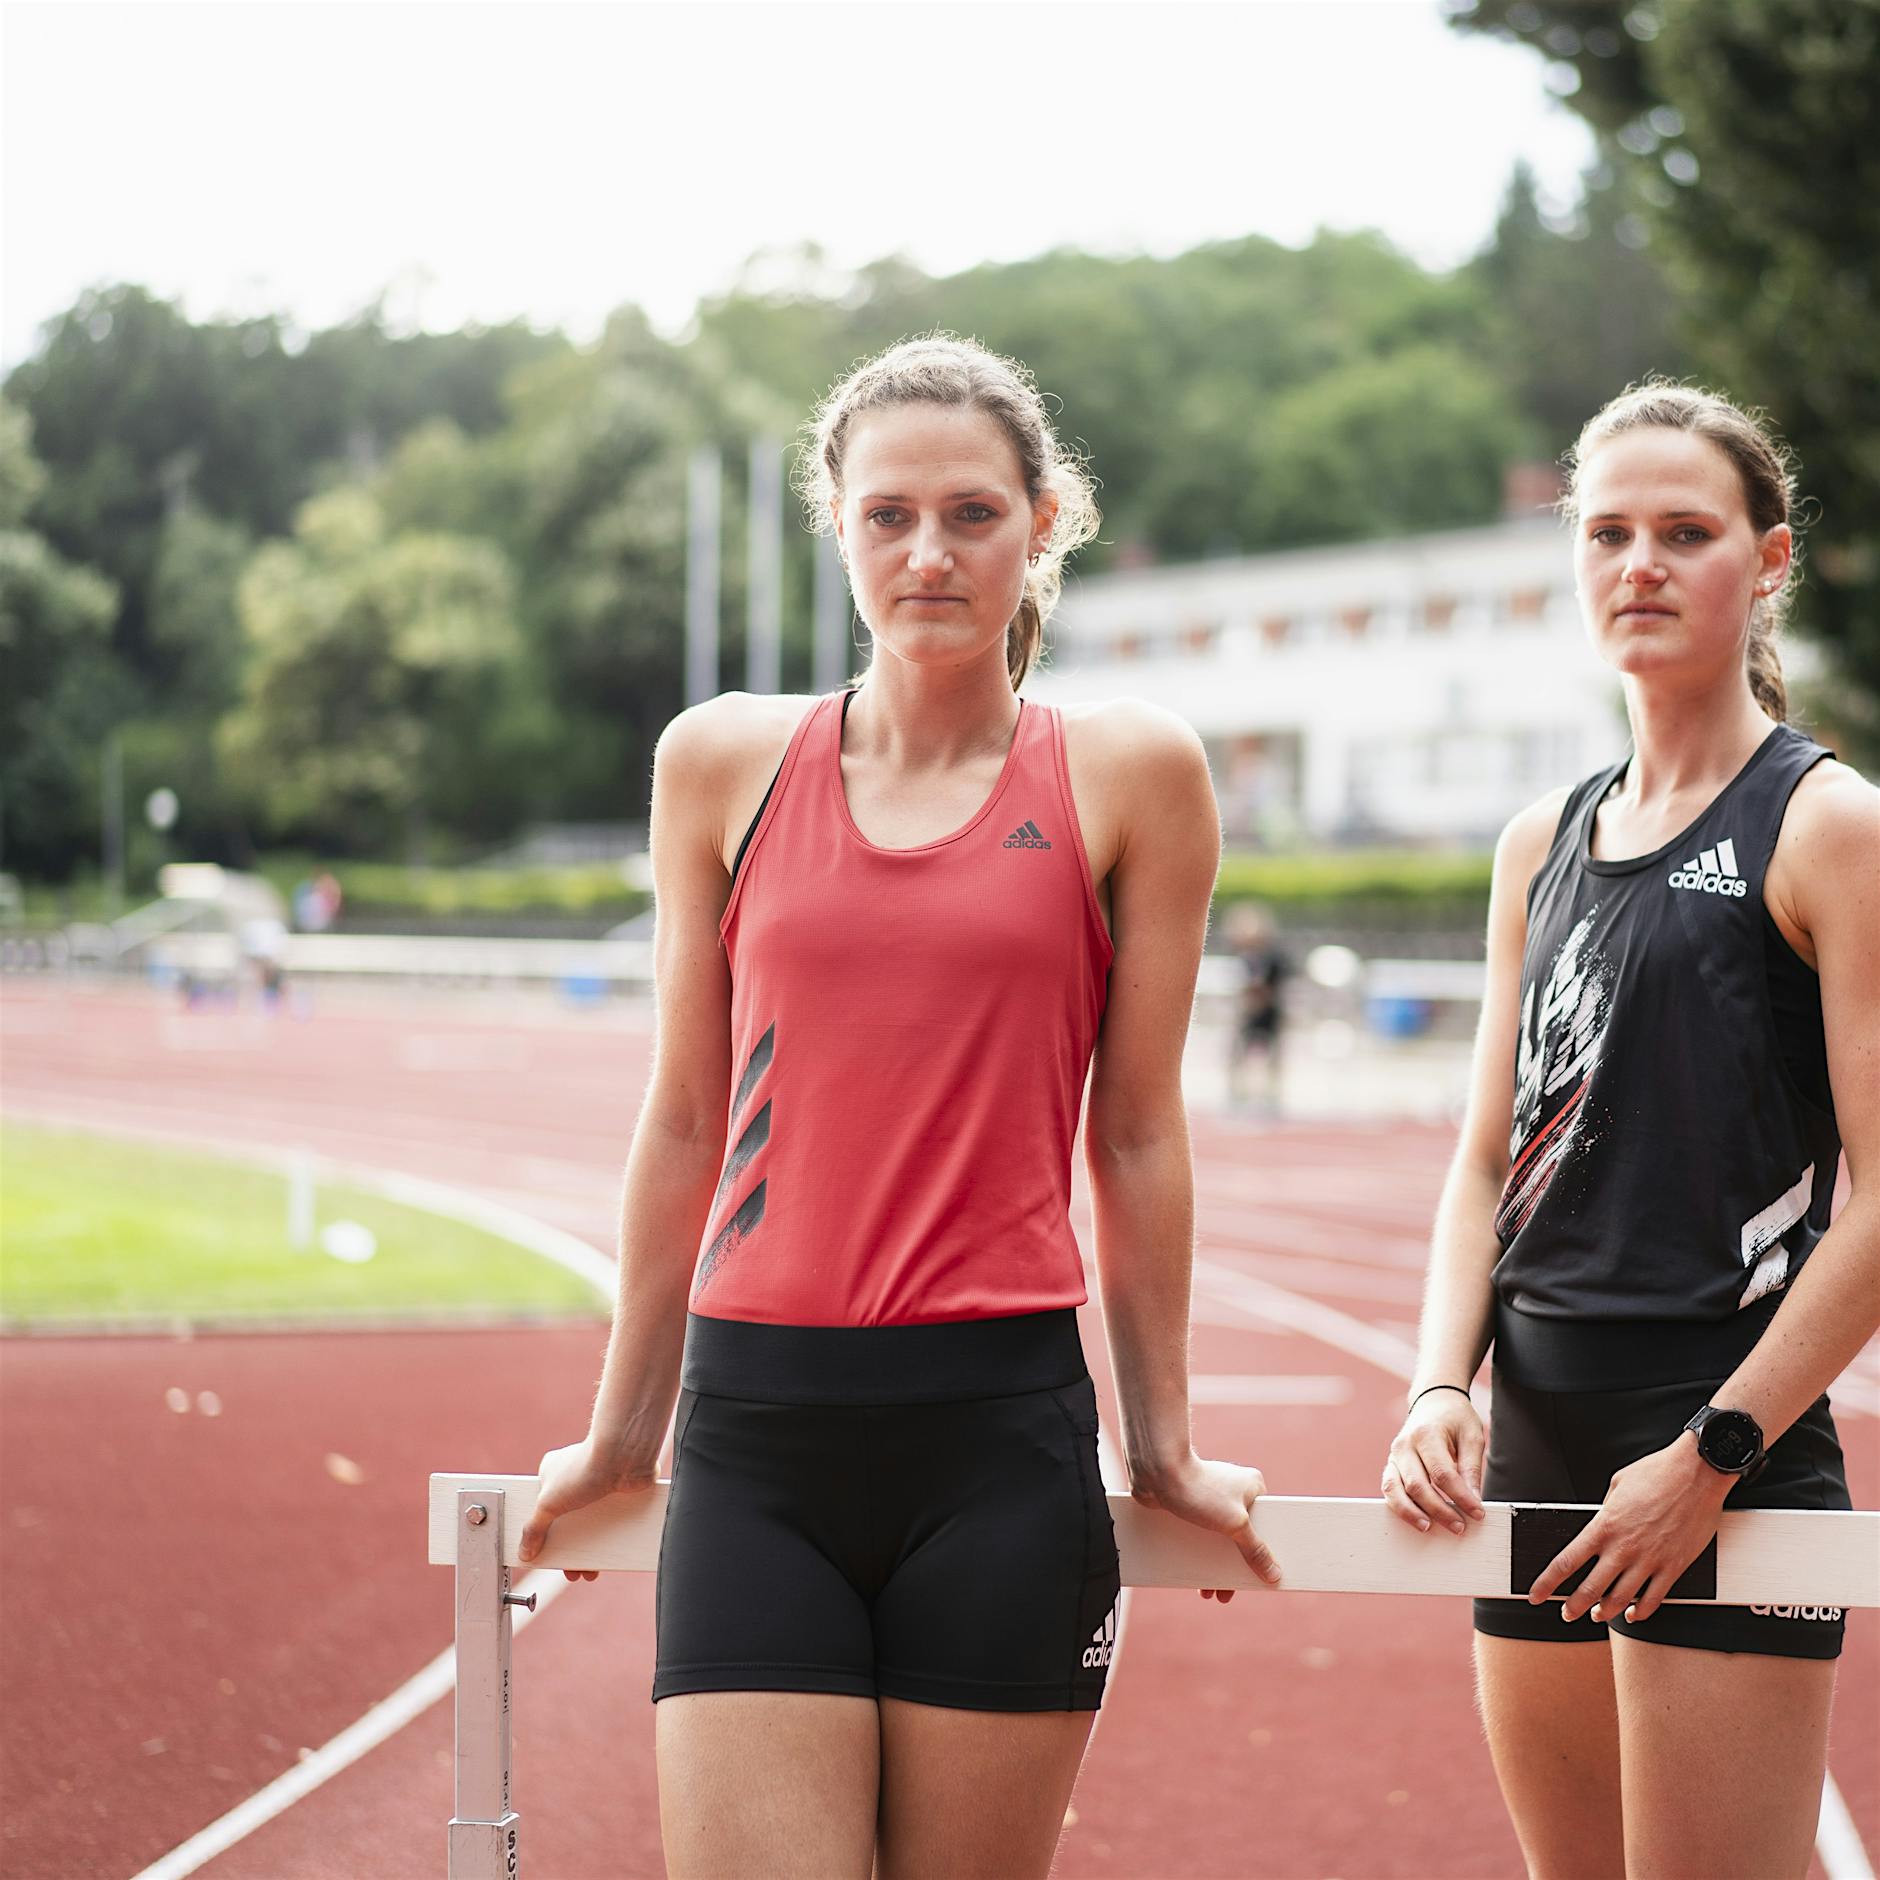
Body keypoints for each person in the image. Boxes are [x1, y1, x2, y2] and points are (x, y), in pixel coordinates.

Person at [517, 335, 1280, 1880]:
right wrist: (621, 1431)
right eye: (889, 516)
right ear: (839, 524)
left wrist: (1170, 1443)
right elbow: (682, 1121)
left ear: (1044, 522)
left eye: (973, 514)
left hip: (998, 1441)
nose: (929, 552)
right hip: (755, 1444)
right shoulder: (719, 760)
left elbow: (1135, 1130)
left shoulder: (1134, 772)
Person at [1381, 382, 1878, 1880]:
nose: (1641, 564)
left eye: (1686, 531)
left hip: (1716, 1437)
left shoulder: (1828, 826)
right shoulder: (1538, 842)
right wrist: (1431, 1386)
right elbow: (1485, 1160)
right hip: (1534, 1443)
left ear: (1769, 560)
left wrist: (1715, 1452)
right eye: (1609, 533)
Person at [1224, 900, 1288, 1112]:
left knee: (1272, 1056)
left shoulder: (1275, 958)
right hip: (1246, 1013)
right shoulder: (1240, 958)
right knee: (1237, 1053)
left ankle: (1270, 1096)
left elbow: (1281, 985)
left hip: (1269, 1012)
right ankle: (1237, 1094)